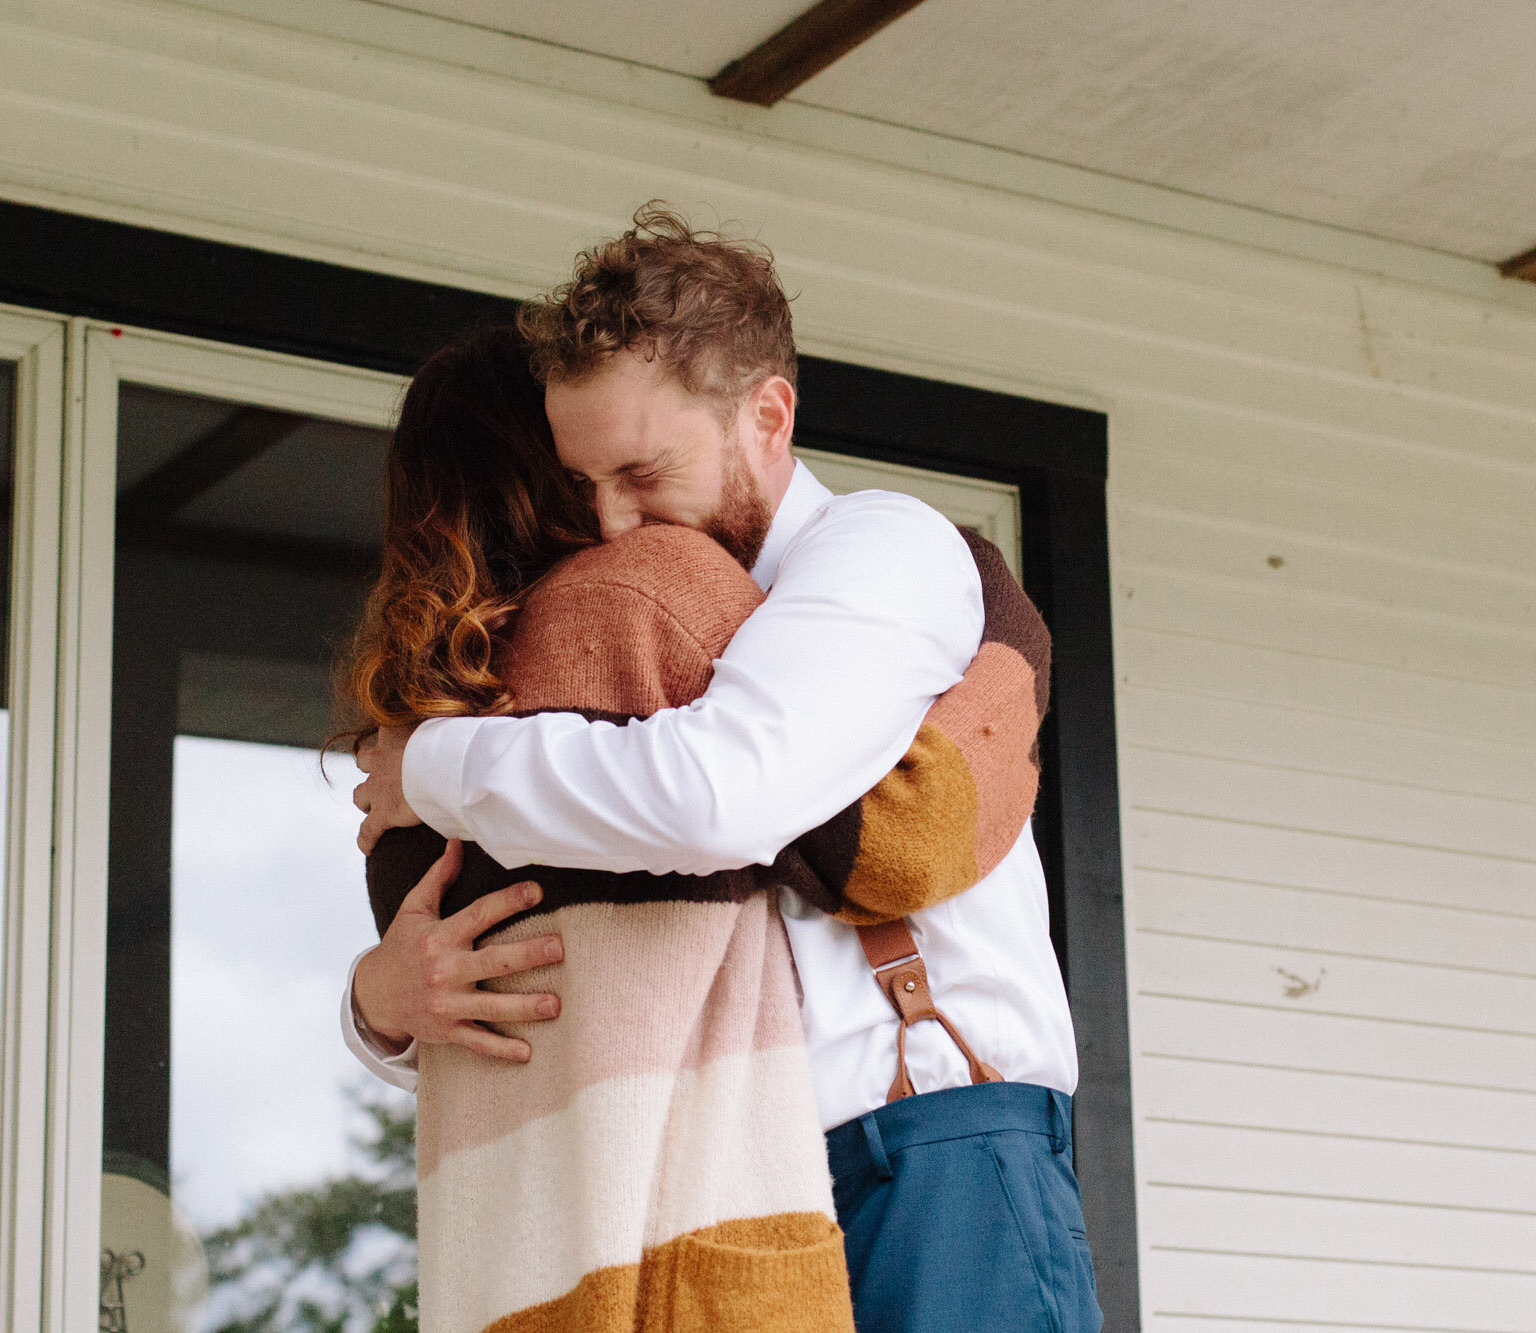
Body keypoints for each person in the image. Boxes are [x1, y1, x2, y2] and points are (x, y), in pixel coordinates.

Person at [347, 207, 1102, 1332]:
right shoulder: (657, 620)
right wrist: (378, 1009)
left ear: (767, 414)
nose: (609, 522)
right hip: (763, 1171)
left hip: (934, 1144)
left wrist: (438, 763)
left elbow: (716, 798)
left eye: (641, 471)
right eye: (582, 484)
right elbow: (618, 967)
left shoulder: (877, 551)